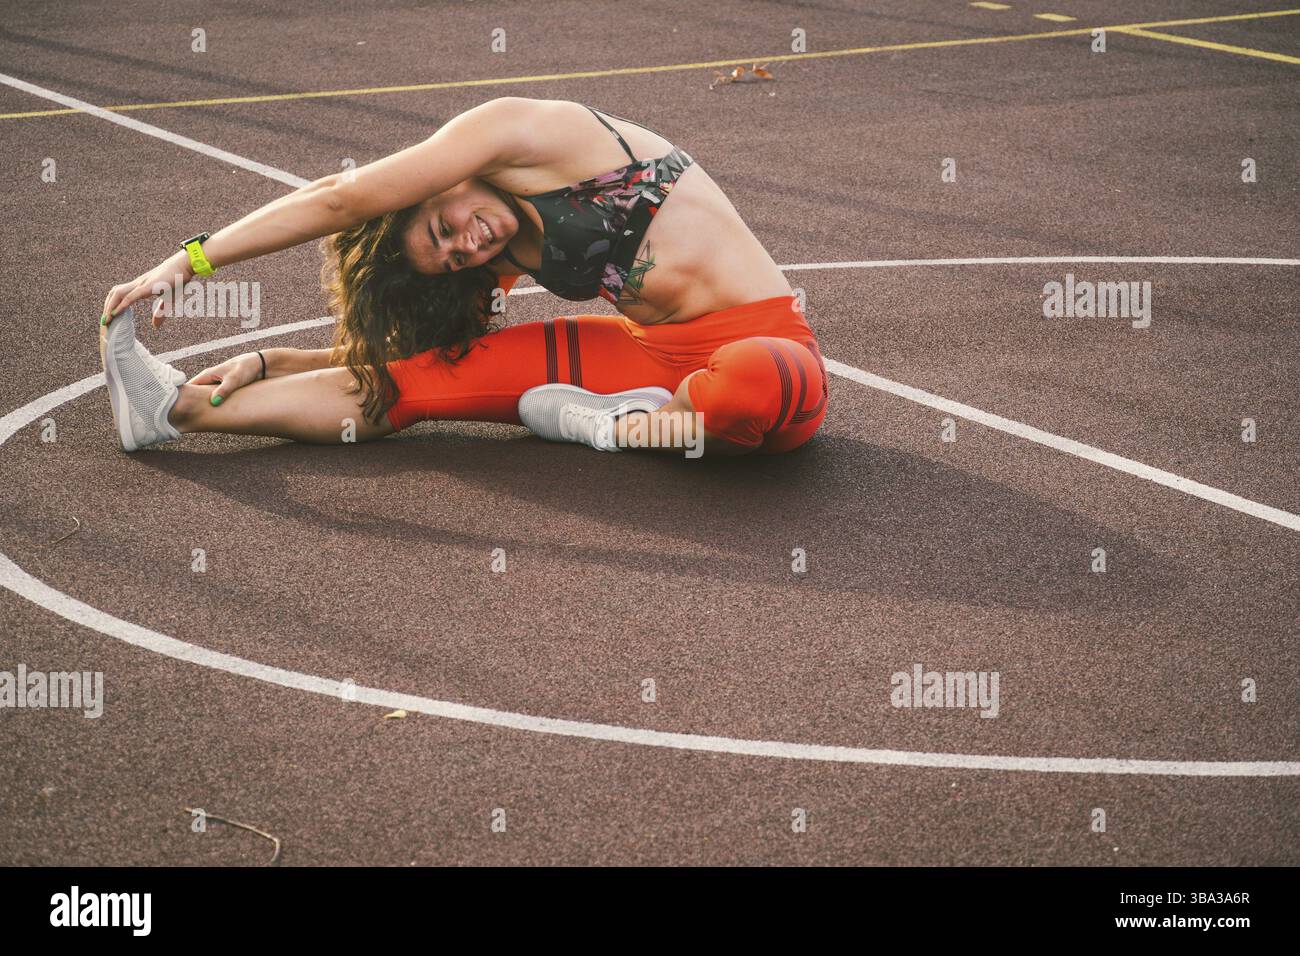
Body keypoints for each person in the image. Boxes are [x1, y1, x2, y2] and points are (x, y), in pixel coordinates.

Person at [99, 97, 827, 456]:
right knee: (410, 385)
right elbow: (416, 363)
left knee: (751, 386)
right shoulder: (495, 253)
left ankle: (620, 428)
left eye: (445, 229)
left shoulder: (520, 134)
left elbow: (340, 199)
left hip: (761, 350)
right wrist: (273, 360)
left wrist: (188, 261)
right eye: (455, 260)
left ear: (437, 185)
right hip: (644, 357)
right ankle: (172, 414)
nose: (469, 245)